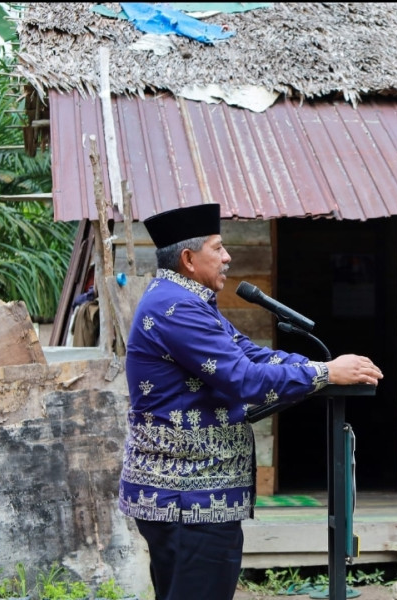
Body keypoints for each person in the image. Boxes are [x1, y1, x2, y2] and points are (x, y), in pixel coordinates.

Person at [119, 203, 383, 600]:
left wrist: (318, 365)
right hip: (187, 499)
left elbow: (251, 354)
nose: (228, 257)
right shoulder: (175, 308)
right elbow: (243, 379)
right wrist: (326, 374)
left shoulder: (185, 300)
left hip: (194, 498)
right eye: (218, 248)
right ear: (189, 259)